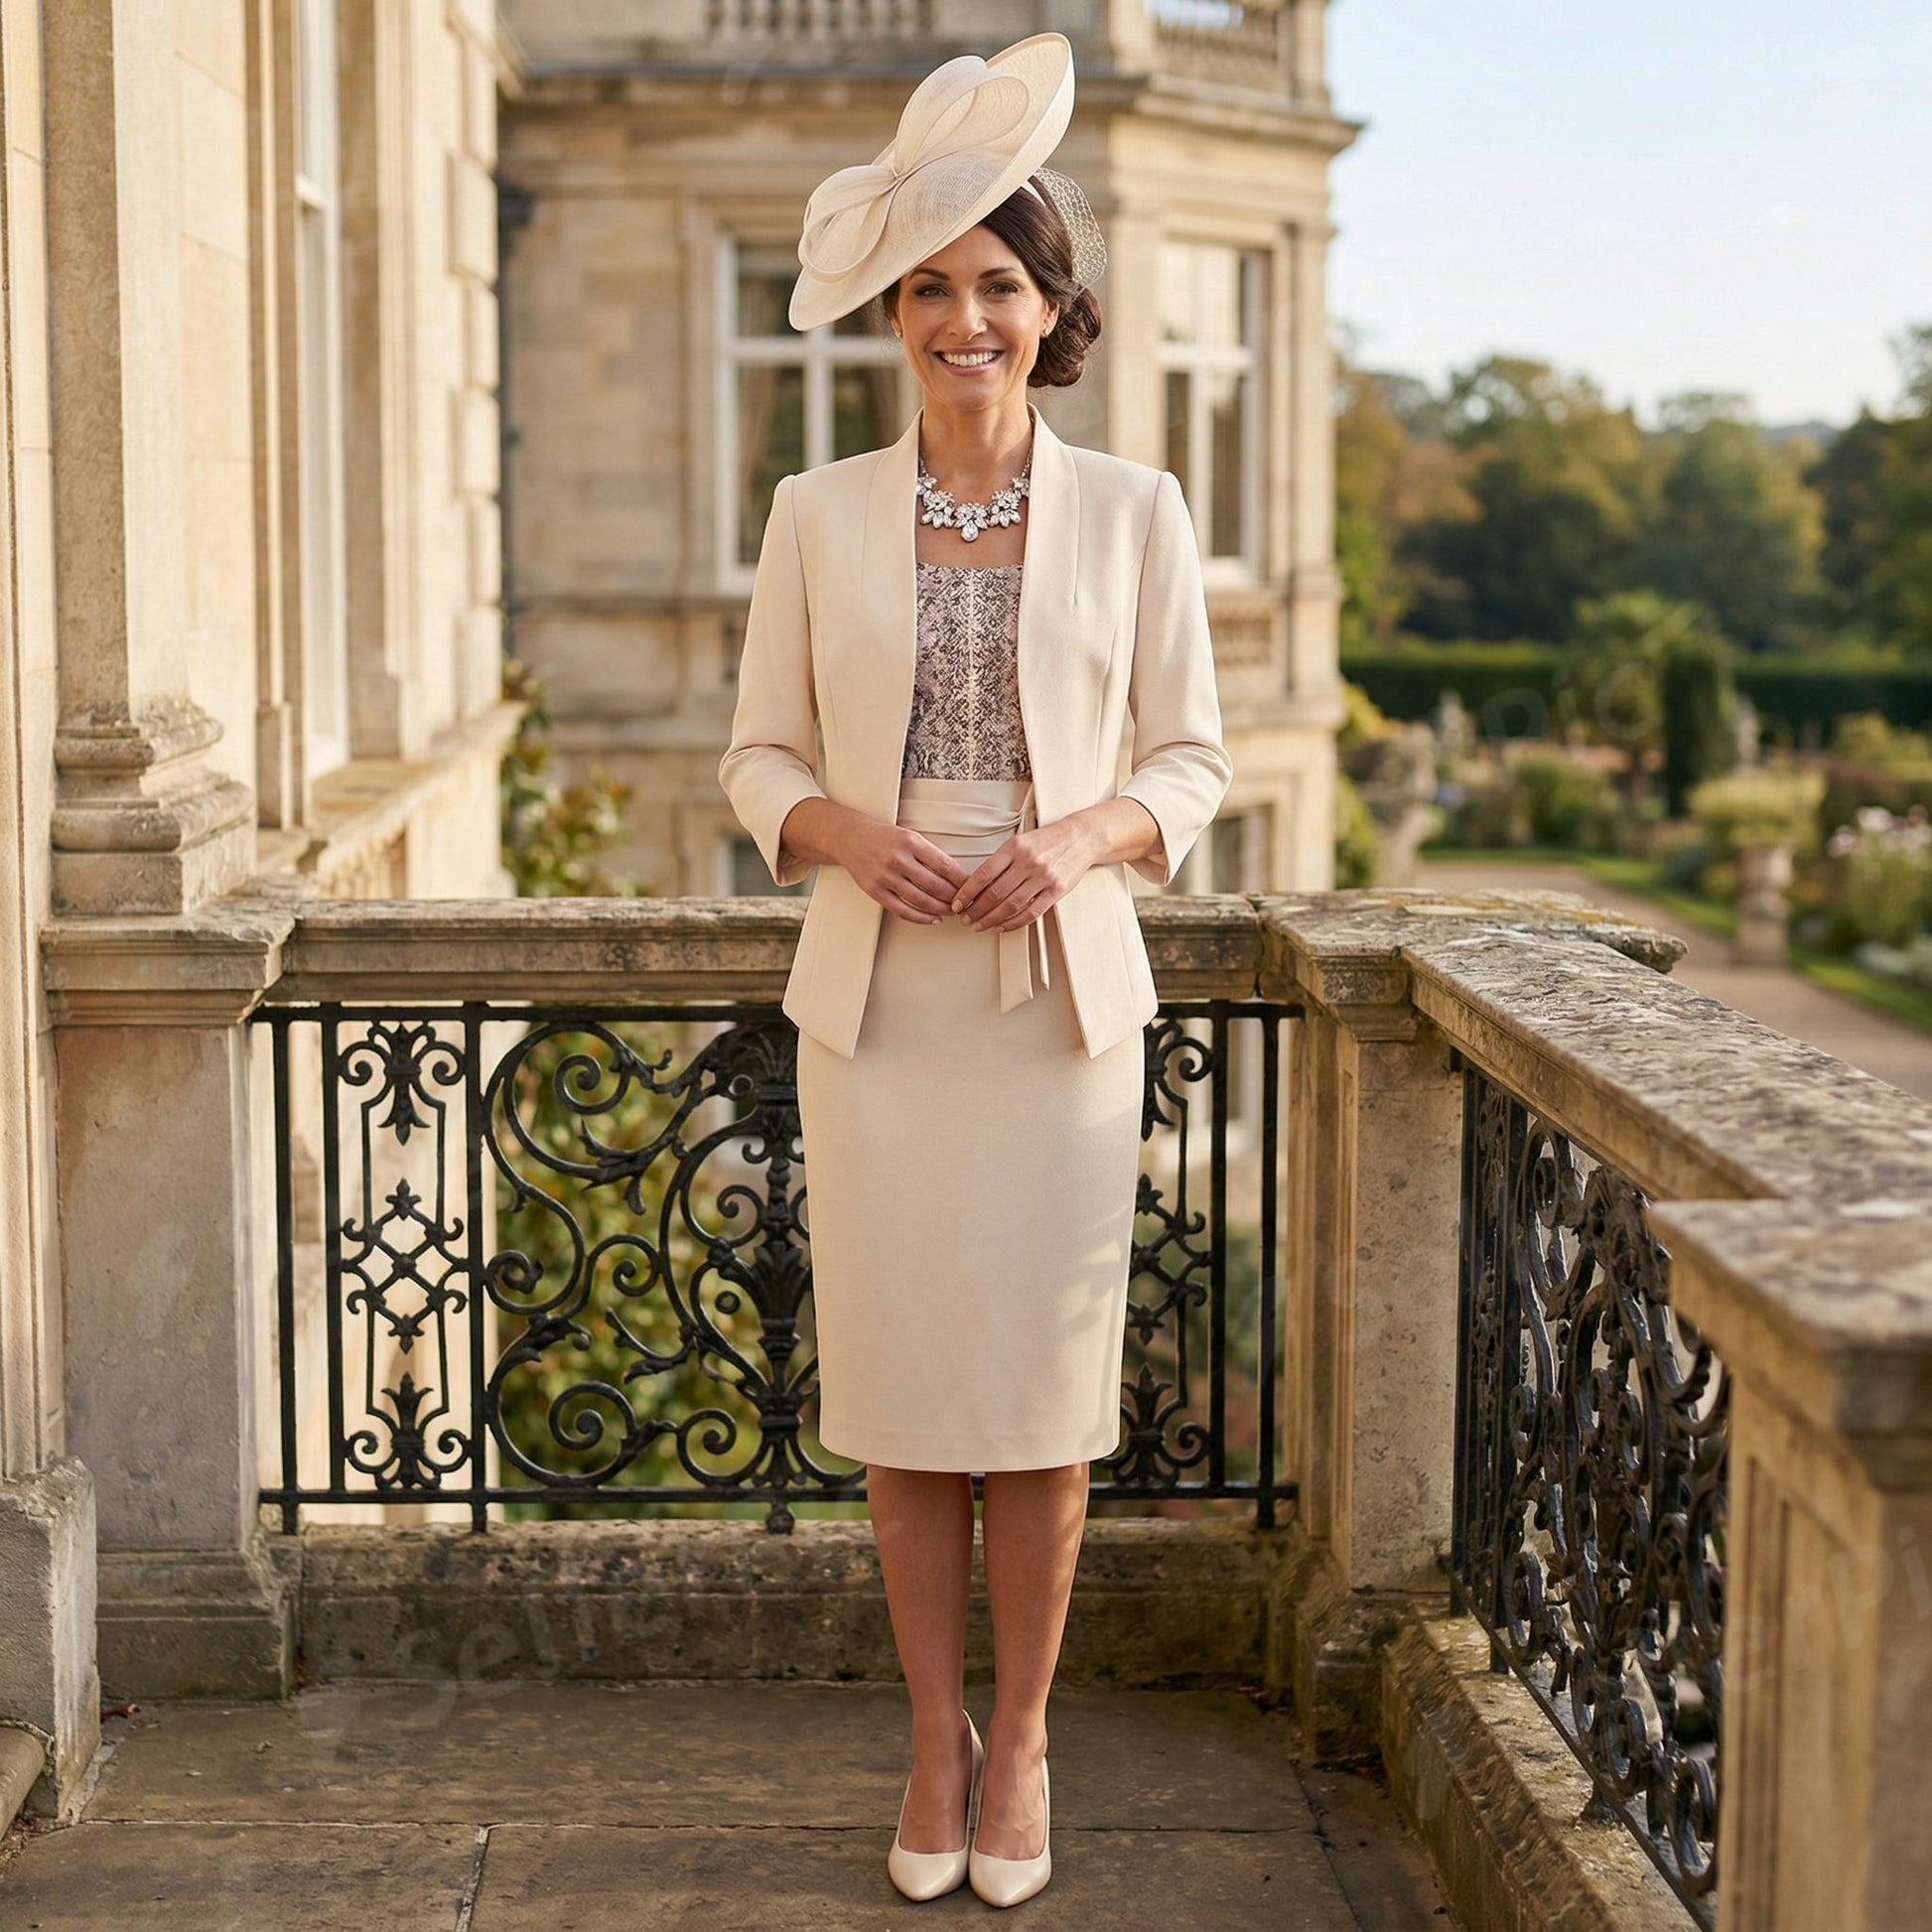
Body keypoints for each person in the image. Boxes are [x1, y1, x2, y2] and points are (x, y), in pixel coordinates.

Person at [717, 31, 1233, 1909]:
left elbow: (1192, 756)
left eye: (996, 285)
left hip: (1055, 1015)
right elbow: (754, 753)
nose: (962, 319)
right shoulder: (811, 512)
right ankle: (930, 1730)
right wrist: (841, 830)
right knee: (907, 1391)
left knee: (1036, 1397)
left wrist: (1078, 835)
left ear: (1050, 306)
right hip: (876, 1009)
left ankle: (1023, 1743)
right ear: (893, 314)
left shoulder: (1138, 513)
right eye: (929, 287)